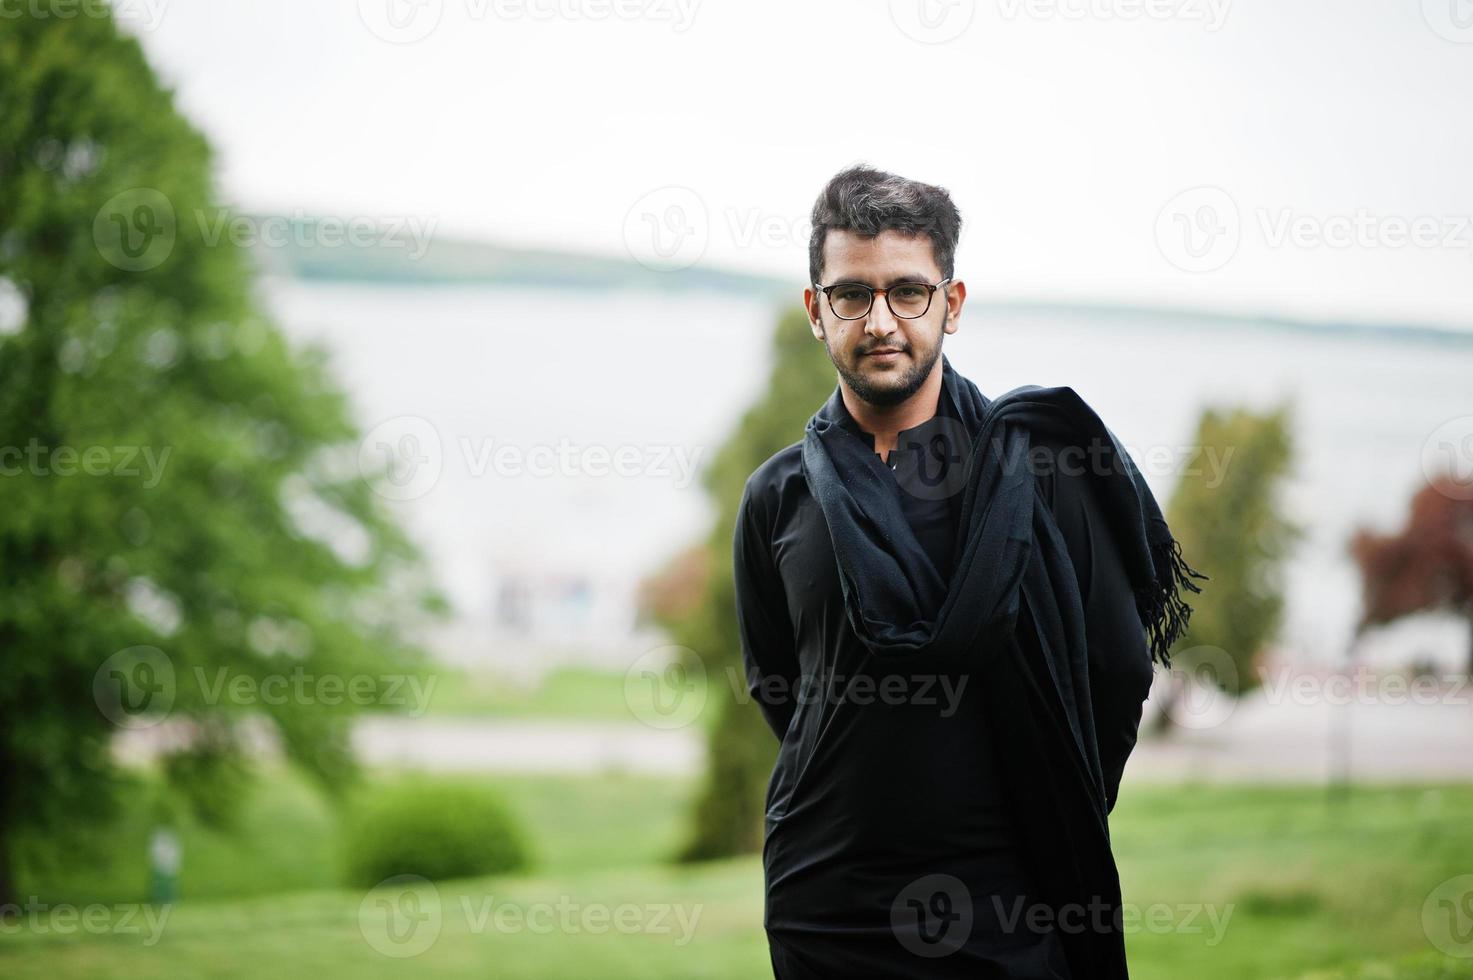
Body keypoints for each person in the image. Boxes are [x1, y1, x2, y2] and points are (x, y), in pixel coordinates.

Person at [734, 165, 1206, 978]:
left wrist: (1048, 805)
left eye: (907, 292)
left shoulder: (1039, 473)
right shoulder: (778, 497)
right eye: (851, 294)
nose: (880, 320)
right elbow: (780, 683)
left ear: (950, 304)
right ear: (817, 311)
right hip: (826, 907)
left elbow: (1116, 669)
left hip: (1009, 903)